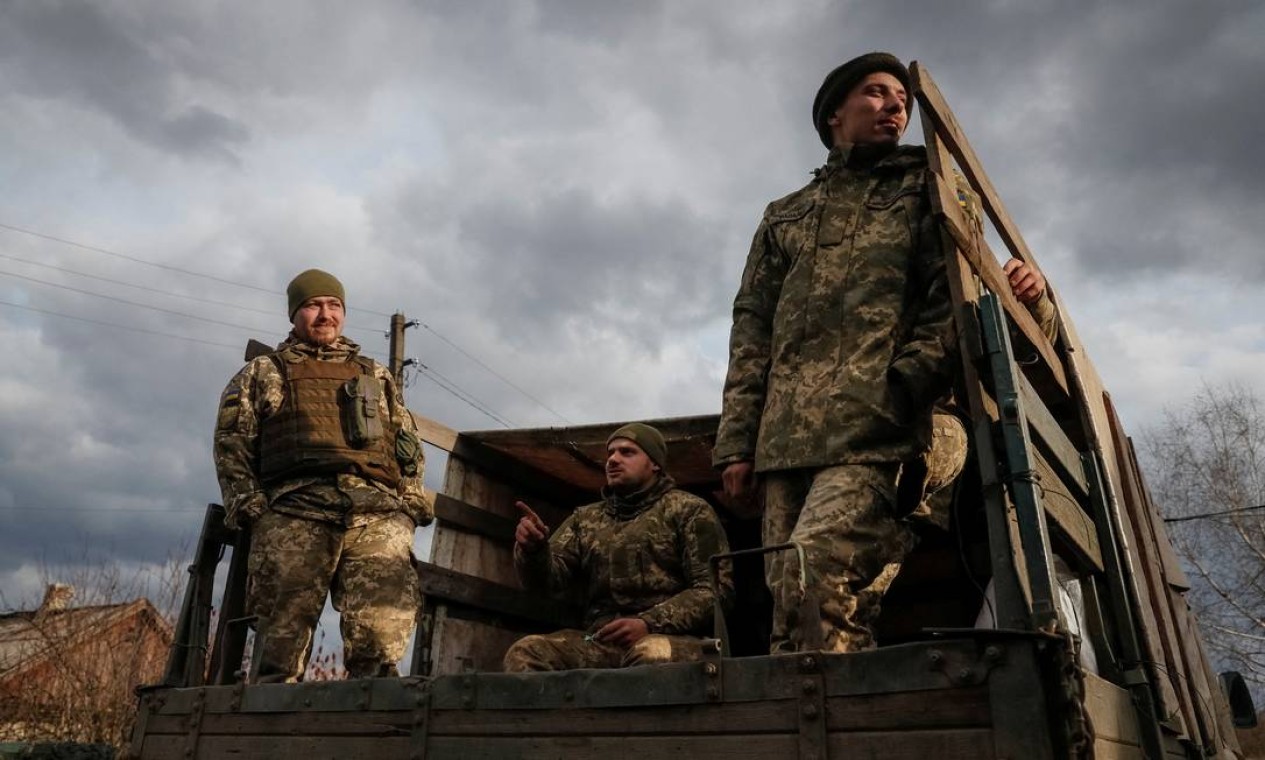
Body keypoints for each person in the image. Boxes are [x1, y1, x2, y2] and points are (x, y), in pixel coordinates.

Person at [713, 52, 1056, 655]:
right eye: (875, 92)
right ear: (834, 117)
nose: (896, 104)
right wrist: (738, 443)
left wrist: (901, 392)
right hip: (787, 442)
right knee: (795, 609)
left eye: (902, 97)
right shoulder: (784, 216)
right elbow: (752, 332)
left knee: (812, 573)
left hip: (887, 429)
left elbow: (951, 299)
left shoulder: (929, 186)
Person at [213, 269, 431, 682]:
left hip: (374, 513)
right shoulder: (264, 372)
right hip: (295, 509)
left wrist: (411, 502)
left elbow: (406, 443)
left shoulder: (375, 375)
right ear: (295, 314)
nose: (324, 314)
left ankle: (376, 726)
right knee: (281, 641)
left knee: (381, 638)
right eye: (313, 305)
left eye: (334, 306)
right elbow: (231, 442)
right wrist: (251, 506)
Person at [502, 423, 734, 672]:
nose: (612, 460)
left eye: (627, 452)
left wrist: (648, 623)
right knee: (525, 652)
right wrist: (533, 551)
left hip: (676, 640)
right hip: (600, 641)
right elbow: (546, 583)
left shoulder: (689, 510)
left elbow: (715, 592)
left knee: (650, 654)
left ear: (655, 463)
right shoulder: (585, 519)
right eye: (610, 453)